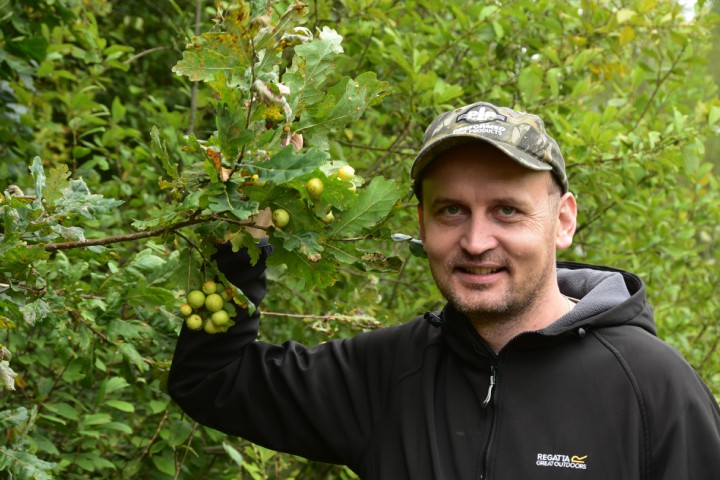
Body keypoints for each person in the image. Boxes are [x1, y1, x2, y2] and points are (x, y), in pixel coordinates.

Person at [168, 101, 720, 479]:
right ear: (422, 221)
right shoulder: (387, 376)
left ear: (563, 220)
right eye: (451, 210)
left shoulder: (653, 388)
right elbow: (211, 378)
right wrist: (243, 239)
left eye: (507, 210)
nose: (477, 241)